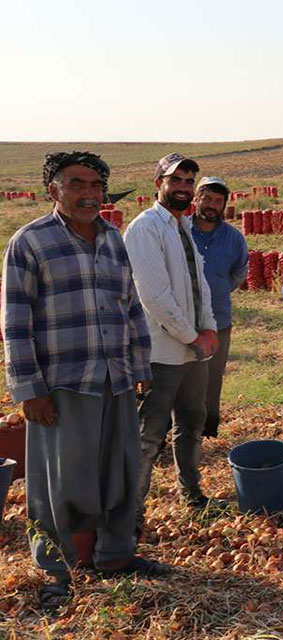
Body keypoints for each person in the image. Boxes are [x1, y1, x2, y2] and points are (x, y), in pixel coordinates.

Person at [5, 152, 167, 611]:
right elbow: (14, 323)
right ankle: (56, 571)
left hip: (114, 376)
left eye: (97, 185)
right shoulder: (30, 243)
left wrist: (139, 368)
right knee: (59, 483)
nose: (90, 194)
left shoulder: (113, 239)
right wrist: (28, 388)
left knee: (120, 471)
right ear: (53, 190)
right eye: (77, 184)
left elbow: (130, 308)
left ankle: (115, 556)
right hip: (63, 382)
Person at [124, 153, 223, 530]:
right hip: (161, 352)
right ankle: (131, 514)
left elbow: (201, 289)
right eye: (175, 180)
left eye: (187, 182)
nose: (182, 188)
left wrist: (209, 330)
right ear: (158, 184)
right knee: (149, 434)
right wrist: (192, 336)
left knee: (192, 423)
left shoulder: (182, 228)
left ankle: (192, 492)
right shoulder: (145, 228)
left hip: (195, 350)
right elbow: (155, 296)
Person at [189, 176, 249, 439]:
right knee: (176, 379)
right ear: (196, 199)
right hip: (180, 320)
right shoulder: (179, 230)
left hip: (218, 320)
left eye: (218, 200)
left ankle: (207, 432)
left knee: (212, 379)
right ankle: (171, 432)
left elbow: (239, 273)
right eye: (207, 198)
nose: (212, 204)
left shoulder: (233, 238)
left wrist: (218, 291)